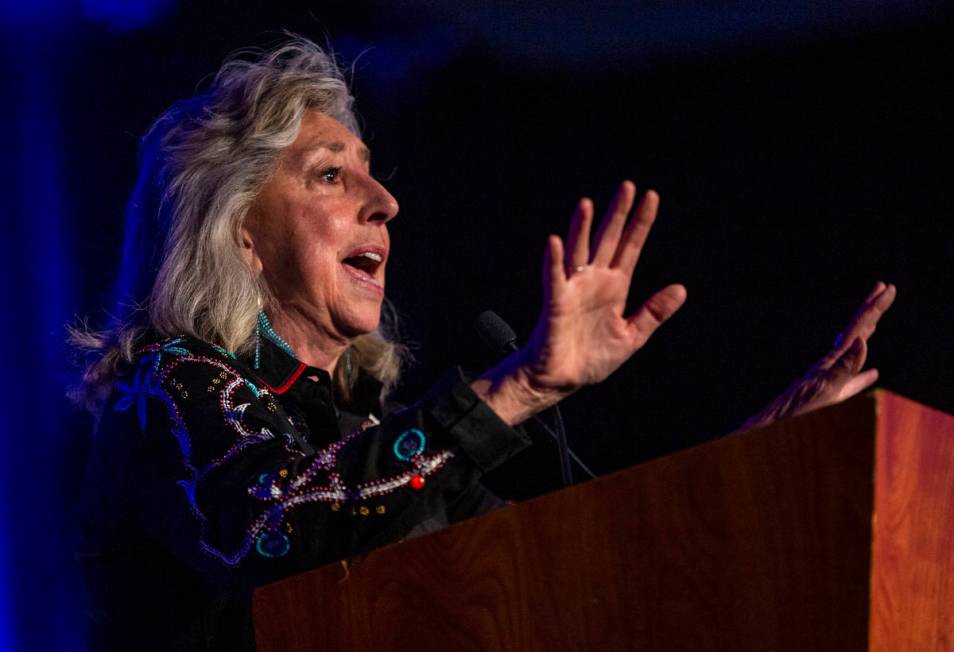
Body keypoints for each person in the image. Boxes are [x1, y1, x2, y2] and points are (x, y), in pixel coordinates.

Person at [72, 36, 895, 651]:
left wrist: (758, 461)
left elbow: (579, 569)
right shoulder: (169, 390)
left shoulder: (374, 444)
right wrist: (521, 386)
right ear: (239, 230)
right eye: (331, 174)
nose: (386, 200)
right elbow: (275, 526)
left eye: (373, 170)